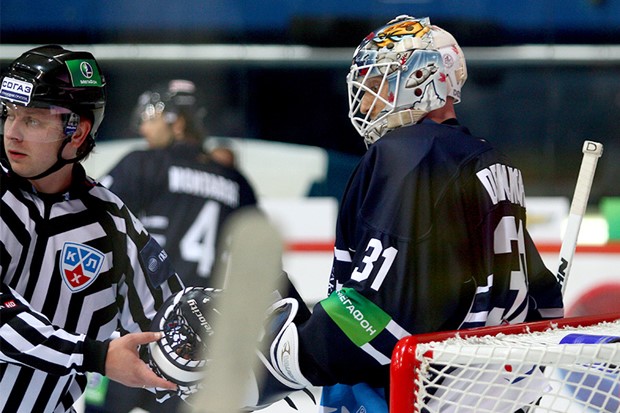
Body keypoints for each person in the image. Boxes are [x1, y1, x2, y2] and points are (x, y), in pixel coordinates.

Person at [162, 15, 564, 412]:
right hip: (496, 393)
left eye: (377, 85)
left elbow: (380, 314)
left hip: (427, 395)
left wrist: (282, 359)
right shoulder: (490, 160)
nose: (365, 101)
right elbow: (541, 300)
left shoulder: (410, 154)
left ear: (423, 79)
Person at [0, 45, 183, 413]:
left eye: (33, 120)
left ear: (78, 131)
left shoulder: (114, 223)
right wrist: (93, 355)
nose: (13, 133)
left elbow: (168, 326)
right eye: (9, 114)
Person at [96, 80, 257, 412]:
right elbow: (255, 248)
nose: (143, 127)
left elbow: (94, 221)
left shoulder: (143, 163)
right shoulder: (234, 181)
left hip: (137, 323)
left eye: (151, 118)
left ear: (177, 122)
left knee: (107, 406)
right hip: (197, 331)